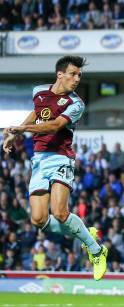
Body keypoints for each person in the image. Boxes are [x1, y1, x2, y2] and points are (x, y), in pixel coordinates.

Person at [2, 55, 107, 280]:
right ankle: (84, 234)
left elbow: (55, 125)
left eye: (79, 75)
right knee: (38, 219)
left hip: (61, 157)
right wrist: (15, 132)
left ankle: (97, 250)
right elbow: (37, 114)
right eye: (73, 74)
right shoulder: (39, 91)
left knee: (60, 212)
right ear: (60, 74)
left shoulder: (76, 103)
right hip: (39, 160)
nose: (77, 78)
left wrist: (22, 130)